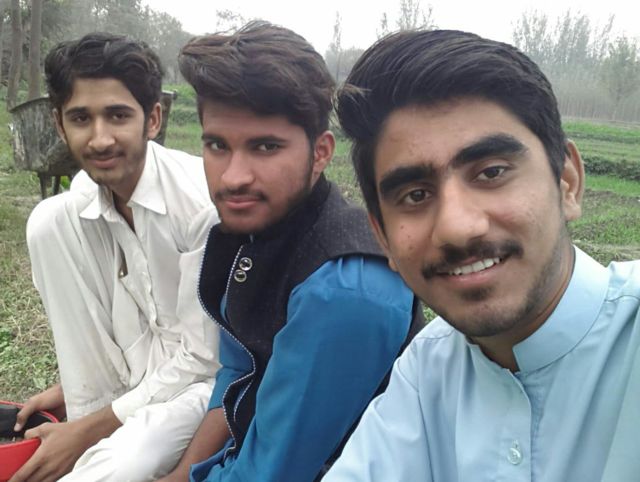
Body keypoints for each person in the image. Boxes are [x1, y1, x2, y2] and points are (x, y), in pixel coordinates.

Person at [325, 29, 640, 481]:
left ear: (567, 182)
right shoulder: (426, 372)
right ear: (382, 237)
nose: (456, 228)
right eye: (415, 195)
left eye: (491, 172)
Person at [159, 21, 423, 482]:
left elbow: (271, 474)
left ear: (320, 153)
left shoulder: (345, 289)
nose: (233, 177)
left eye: (265, 147)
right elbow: (237, 372)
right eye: (217, 145)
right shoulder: (259, 233)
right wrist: (181, 475)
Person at [11, 32, 220, 482]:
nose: (100, 139)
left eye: (118, 115)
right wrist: (76, 394)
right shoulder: (84, 198)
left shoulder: (198, 205)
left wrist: (88, 430)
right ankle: (85, 415)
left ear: (153, 119)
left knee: (117, 468)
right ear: (59, 125)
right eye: (81, 118)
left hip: (200, 386)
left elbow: (203, 361)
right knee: (48, 220)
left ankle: (88, 436)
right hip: (134, 375)